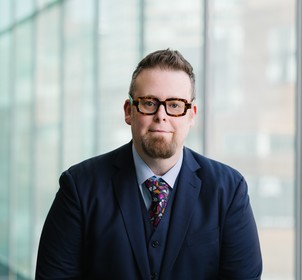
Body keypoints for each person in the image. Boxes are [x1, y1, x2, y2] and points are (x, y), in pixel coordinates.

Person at [36, 49, 262, 279]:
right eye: (149, 103)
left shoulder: (229, 191)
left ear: (191, 115)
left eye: (174, 105)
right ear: (128, 111)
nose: (161, 115)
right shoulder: (79, 187)